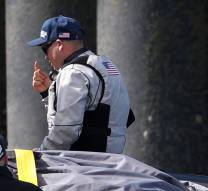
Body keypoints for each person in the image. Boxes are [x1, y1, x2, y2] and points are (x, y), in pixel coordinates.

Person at [28, 15, 133, 153]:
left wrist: (43, 154)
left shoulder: (73, 72)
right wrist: (49, 93)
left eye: (44, 48)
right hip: (111, 162)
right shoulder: (105, 64)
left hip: (83, 166)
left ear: (59, 45)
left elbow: (65, 130)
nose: (45, 56)